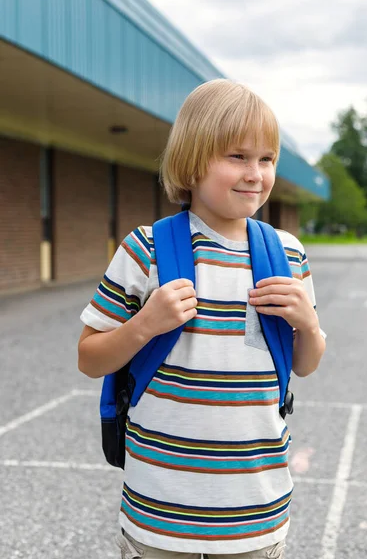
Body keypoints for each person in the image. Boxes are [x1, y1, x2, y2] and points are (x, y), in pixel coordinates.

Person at [78, 79, 326, 559]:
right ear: (191, 162)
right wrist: (144, 324)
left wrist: (309, 327)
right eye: (237, 156)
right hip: (158, 515)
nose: (255, 173)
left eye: (266, 159)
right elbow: (89, 359)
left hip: (255, 513)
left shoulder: (288, 254)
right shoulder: (146, 248)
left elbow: (306, 364)